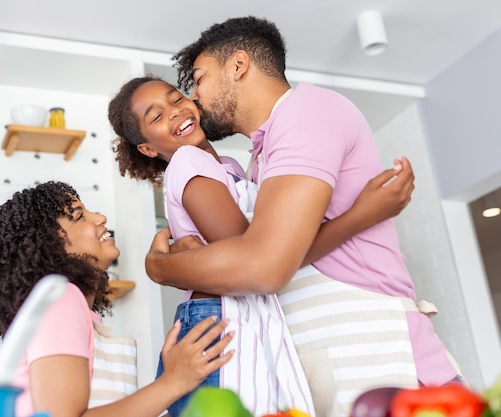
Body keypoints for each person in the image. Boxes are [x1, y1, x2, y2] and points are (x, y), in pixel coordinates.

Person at [144, 16, 462, 417]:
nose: (195, 98)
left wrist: (162, 267)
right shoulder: (259, 156)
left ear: (238, 66)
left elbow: (264, 265)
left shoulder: (305, 113)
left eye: (200, 79)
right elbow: (275, 252)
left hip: (376, 350)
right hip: (331, 356)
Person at [109, 77, 416, 417]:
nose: (176, 111)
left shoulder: (229, 167)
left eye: (176, 98)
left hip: (244, 313)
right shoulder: (187, 162)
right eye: (156, 116)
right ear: (148, 149)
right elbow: (257, 257)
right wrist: (361, 215)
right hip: (218, 322)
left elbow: (274, 249)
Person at [0, 181, 235, 417]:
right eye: (79, 216)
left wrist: (173, 385)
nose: (100, 217)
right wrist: (173, 381)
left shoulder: (71, 309)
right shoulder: (61, 302)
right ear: (50, 244)